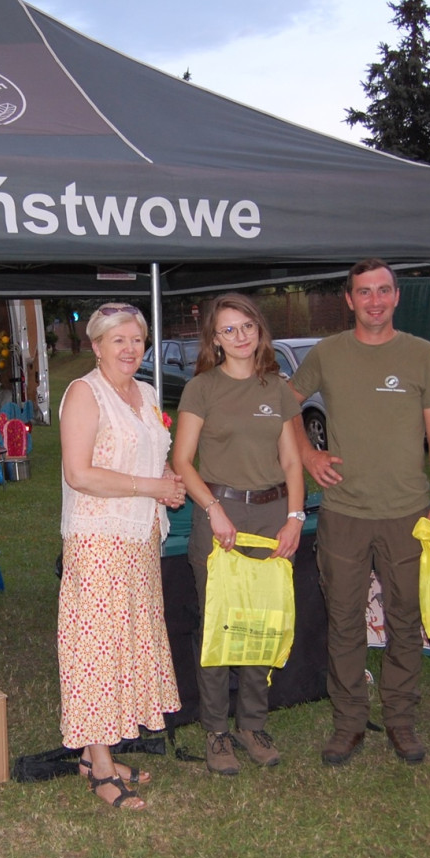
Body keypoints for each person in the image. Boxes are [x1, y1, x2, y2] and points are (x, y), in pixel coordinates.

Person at [289, 258, 430, 765]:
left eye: (384, 291)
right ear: (349, 299)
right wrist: (308, 453)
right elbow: (283, 403)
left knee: (405, 619)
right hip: (343, 513)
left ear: (397, 297)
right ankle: (350, 723)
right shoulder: (328, 353)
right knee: (344, 621)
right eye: (365, 292)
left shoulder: (422, 355)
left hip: (408, 512)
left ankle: (401, 721)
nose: (375, 301)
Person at [58, 303, 186, 810]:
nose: (131, 349)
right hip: (98, 539)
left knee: (127, 644)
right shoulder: (84, 394)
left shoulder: (147, 393)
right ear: (96, 346)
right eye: (119, 341)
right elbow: (79, 473)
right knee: (96, 652)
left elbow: (152, 455)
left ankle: (97, 752)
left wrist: (166, 487)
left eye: (137, 340)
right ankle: (101, 767)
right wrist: (150, 486)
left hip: (139, 539)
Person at [172, 293, 305, 775]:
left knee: (261, 625)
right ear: (215, 339)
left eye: (246, 325)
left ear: (259, 329)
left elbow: (292, 460)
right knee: (221, 627)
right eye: (228, 330)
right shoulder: (202, 388)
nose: (240, 336)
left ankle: (252, 724)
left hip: (271, 521)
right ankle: (216, 732)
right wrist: (212, 511)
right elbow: (181, 461)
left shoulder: (277, 388)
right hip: (221, 515)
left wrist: (294, 517)